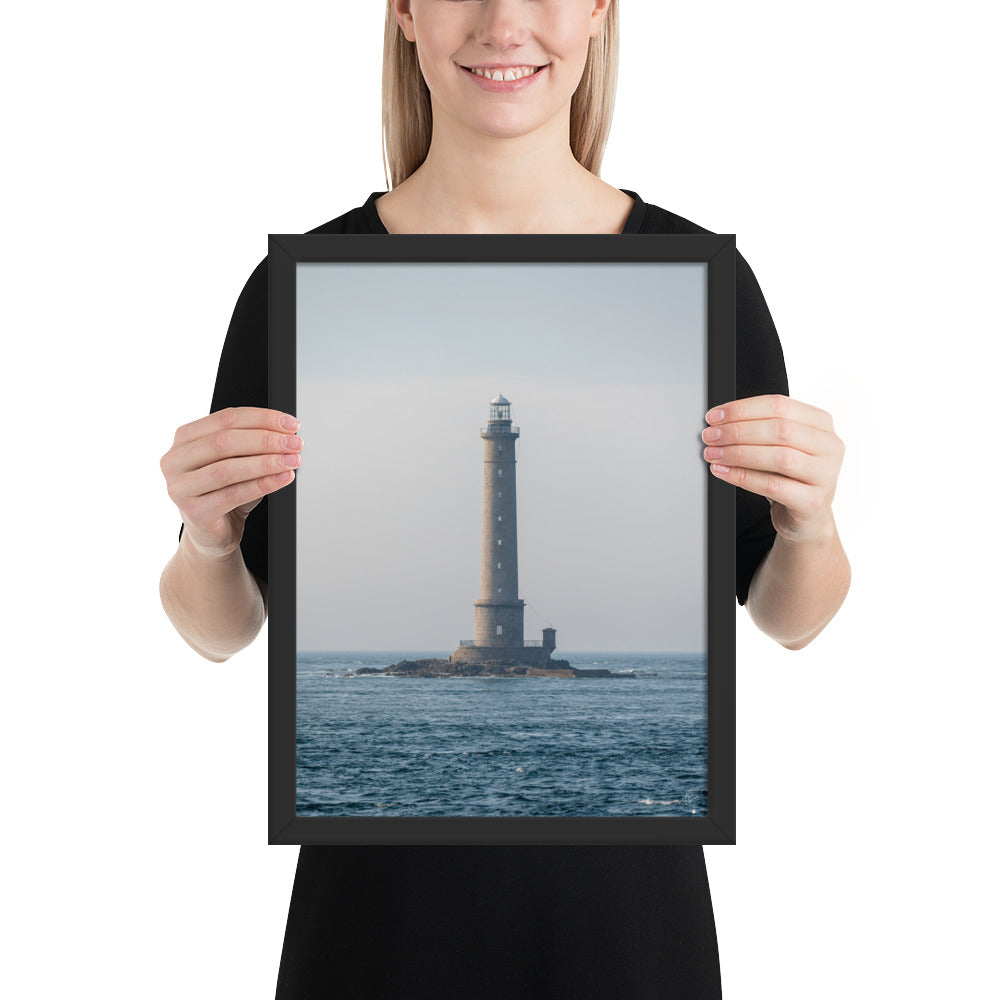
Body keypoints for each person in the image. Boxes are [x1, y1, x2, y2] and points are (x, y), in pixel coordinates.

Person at [159, 2, 850, 996]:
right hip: (373, 934)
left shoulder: (704, 281)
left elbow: (790, 615)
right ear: (402, 11)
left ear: (602, 11)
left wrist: (809, 521)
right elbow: (219, 631)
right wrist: (208, 538)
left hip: (625, 935)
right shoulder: (293, 287)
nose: (503, 20)